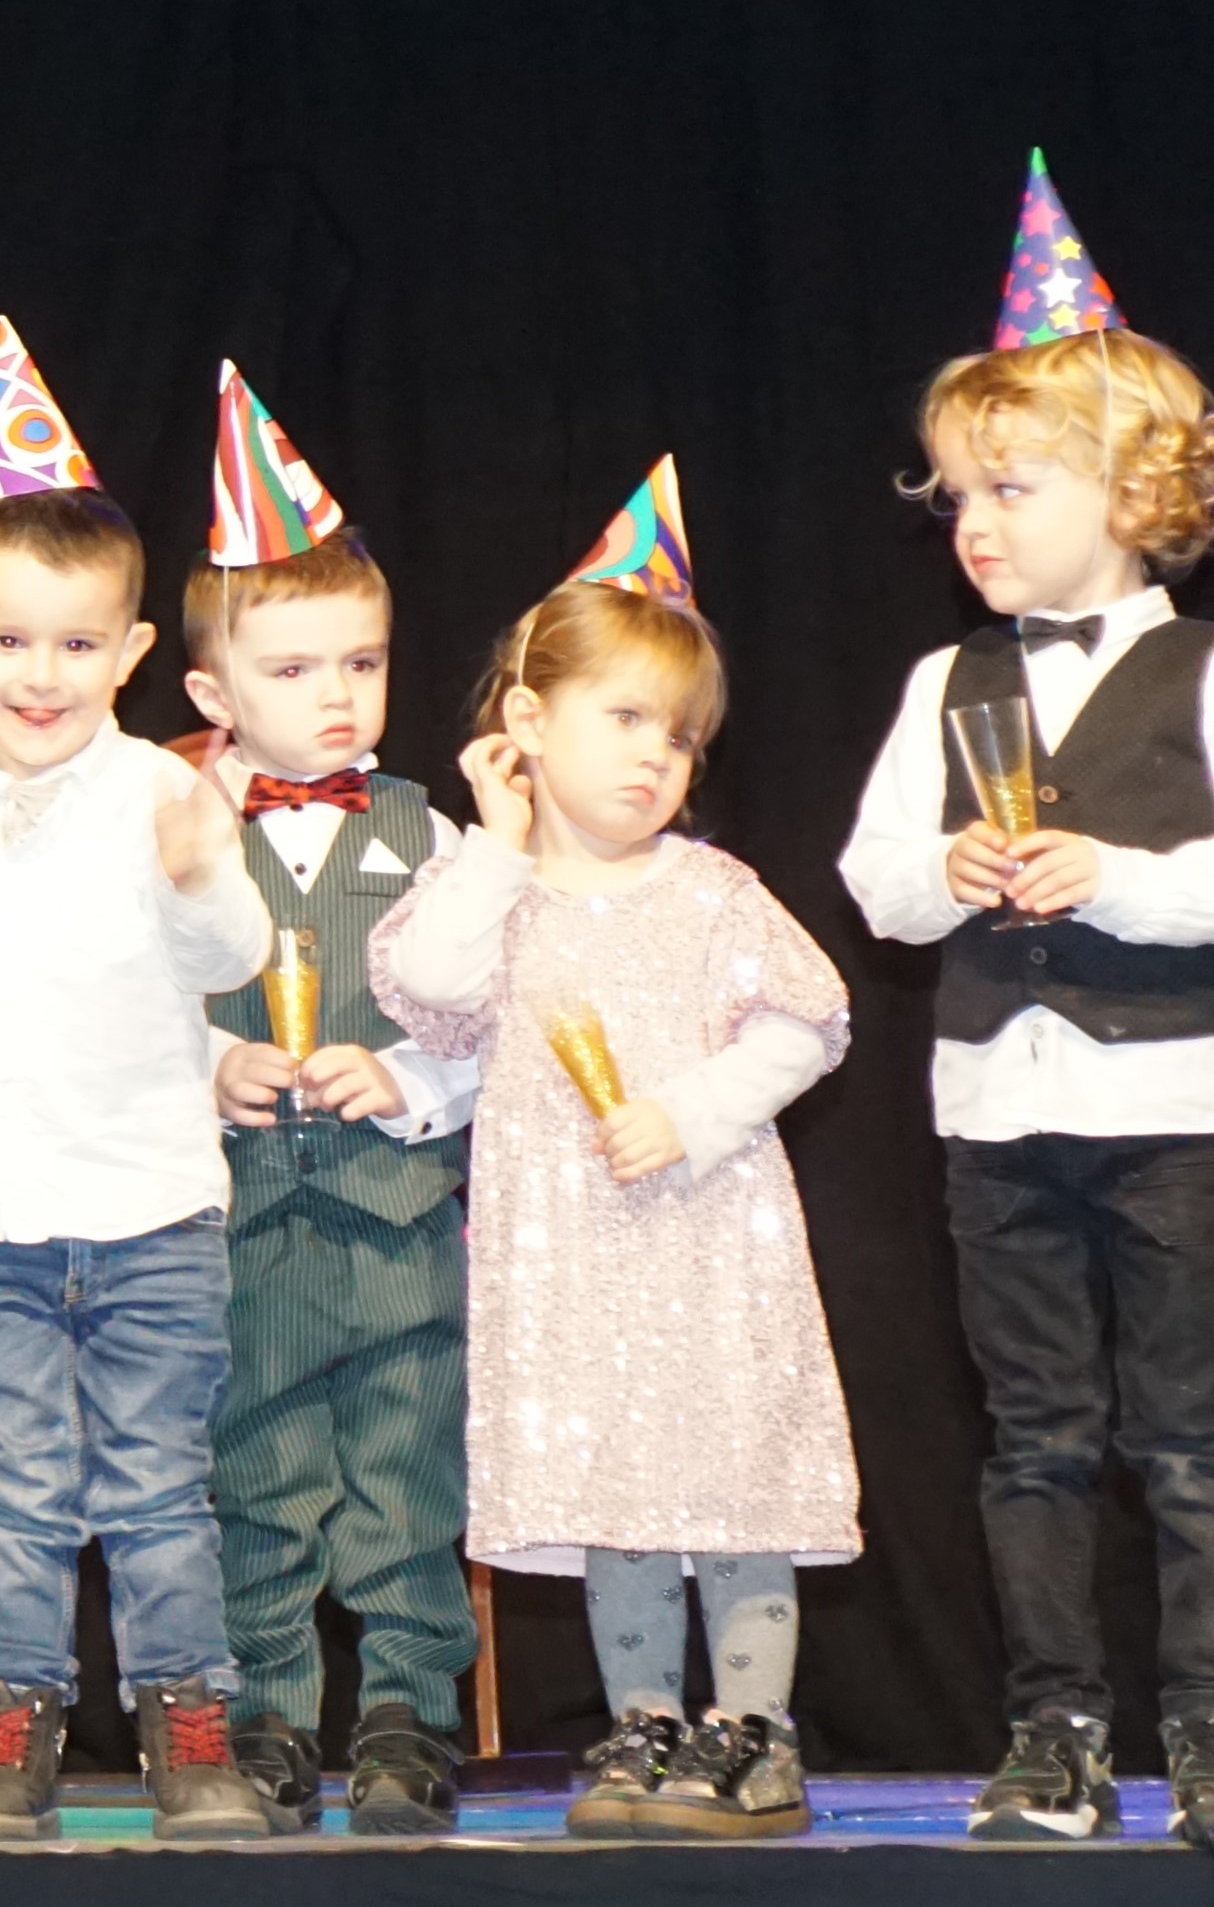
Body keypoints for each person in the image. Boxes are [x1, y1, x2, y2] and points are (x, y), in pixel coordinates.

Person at [834, 163, 1214, 1849]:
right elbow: (877, 881)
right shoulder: (944, 678)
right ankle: (1052, 1728)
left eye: (1011, 486)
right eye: (959, 494)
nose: (974, 522)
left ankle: (1213, 1730)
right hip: (996, 1108)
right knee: (1033, 1436)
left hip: (1169, 1108)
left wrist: (1110, 873)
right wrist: (951, 868)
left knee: (1187, 1438)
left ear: (1131, 490)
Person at [0, 322, 275, 1847]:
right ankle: (11, 1730)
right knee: (18, 1486)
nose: (42, 673)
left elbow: (230, 957)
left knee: (157, 1485)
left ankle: (190, 1728)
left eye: (79, 644)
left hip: (154, 1208)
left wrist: (204, 867)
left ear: (133, 650)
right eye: (9, 639)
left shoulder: (162, 789)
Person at [373, 471, 856, 1846]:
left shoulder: (713, 891)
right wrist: (497, 844)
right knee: (616, 1489)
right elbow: (428, 986)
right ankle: (644, 1721)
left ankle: (752, 1729)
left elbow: (812, 1017)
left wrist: (694, 1110)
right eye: (626, 718)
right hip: (570, 1255)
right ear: (528, 721)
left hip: (705, 1242)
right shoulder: (495, 891)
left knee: (733, 1473)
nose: (657, 757)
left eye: (682, 735)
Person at [167, 367, 480, 1837]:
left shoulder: (437, 833)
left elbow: (502, 1018)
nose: (338, 695)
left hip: (398, 1211)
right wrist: (203, 1067)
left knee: (408, 1465)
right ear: (212, 694)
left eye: (362, 661)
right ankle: (267, 1716)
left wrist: (411, 1073)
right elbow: (117, 1011)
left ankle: (409, 1713)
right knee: (258, 1467)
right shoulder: (172, 833)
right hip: (234, 1219)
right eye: (293, 671)